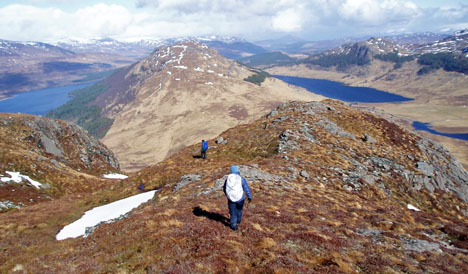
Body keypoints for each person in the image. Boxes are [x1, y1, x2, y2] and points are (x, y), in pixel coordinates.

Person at [223, 165, 252, 231]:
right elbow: (246, 188)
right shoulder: (241, 179)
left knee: (232, 212)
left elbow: (225, 188)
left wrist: (227, 195)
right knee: (239, 209)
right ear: (237, 170)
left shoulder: (227, 179)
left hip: (231, 199)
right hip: (240, 198)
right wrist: (249, 196)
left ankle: (234, 226)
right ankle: (238, 220)